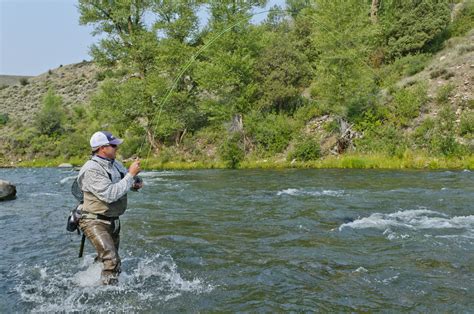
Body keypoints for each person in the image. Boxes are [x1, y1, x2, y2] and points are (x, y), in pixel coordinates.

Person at [77, 131, 143, 285]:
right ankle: (108, 296)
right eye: (113, 145)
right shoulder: (91, 169)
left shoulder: (116, 163)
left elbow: (124, 182)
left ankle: (93, 284)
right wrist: (131, 175)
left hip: (112, 220)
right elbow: (110, 195)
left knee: (105, 258)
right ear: (102, 148)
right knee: (112, 260)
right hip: (93, 221)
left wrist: (135, 183)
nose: (117, 148)